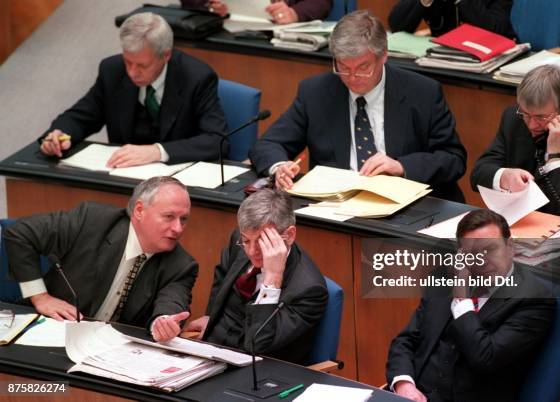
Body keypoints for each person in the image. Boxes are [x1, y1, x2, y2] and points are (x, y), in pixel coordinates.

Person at [249, 10, 467, 202]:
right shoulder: (316, 92)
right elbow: (267, 144)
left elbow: (453, 159)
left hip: (407, 209)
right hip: (337, 206)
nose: (352, 78)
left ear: (383, 56)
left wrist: (401, 166)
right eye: (343, 67)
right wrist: (280, 168)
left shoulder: (422, 93)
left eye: (363, 68)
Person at [386, 209, 556, 402]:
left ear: (510, 247)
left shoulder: (533, 300)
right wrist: (404, 384)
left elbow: (486, 358)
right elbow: (406, 341)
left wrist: (461, 301)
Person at [4, 176, 198, 339]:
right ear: (139, 210)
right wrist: (41, 297)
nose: (178, 228)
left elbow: (172, 302)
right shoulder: (91, 222)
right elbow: (19, 234)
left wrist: (163, 322)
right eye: (169, 217)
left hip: (109, 352)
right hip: (51, 330)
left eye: (184, 219)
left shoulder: (181, 265)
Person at [154, 189, 328, 364]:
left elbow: (258, 345)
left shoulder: (309, 290)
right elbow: (222, 275)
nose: (251, 251)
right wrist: (211, 316)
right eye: (246, 241)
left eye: (262, 242)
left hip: (257, 370)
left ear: (289, 235)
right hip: (210, 351)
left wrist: (272, 279)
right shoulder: (239, 239)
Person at [40, 12, 227, 167]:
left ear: (166, 55)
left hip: (175, 181)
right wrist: (59, 134)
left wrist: (157, 151)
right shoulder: (112, 70)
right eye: (128, 62)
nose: (132, 72)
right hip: (123, 175)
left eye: (142, 65)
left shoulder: (197, 77)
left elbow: (217, 140)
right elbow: (81, 116)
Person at [471, 65, 560, 236]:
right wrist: (504, 176)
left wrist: (554, 155)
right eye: (525, 113)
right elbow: (477, 175)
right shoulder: (513, 119)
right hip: (522, 230)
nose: (531, 124)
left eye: (541, 117)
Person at [388, 0, 515, 38]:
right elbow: (397, 26)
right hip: (440, 62)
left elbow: (497, 29)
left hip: (484, 63)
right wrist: (423, 2)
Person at [182, 0, 332, 24]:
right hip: (227, 30)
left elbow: (322, 2)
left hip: (281, 36)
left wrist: (295, 13)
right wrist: (209, 6)